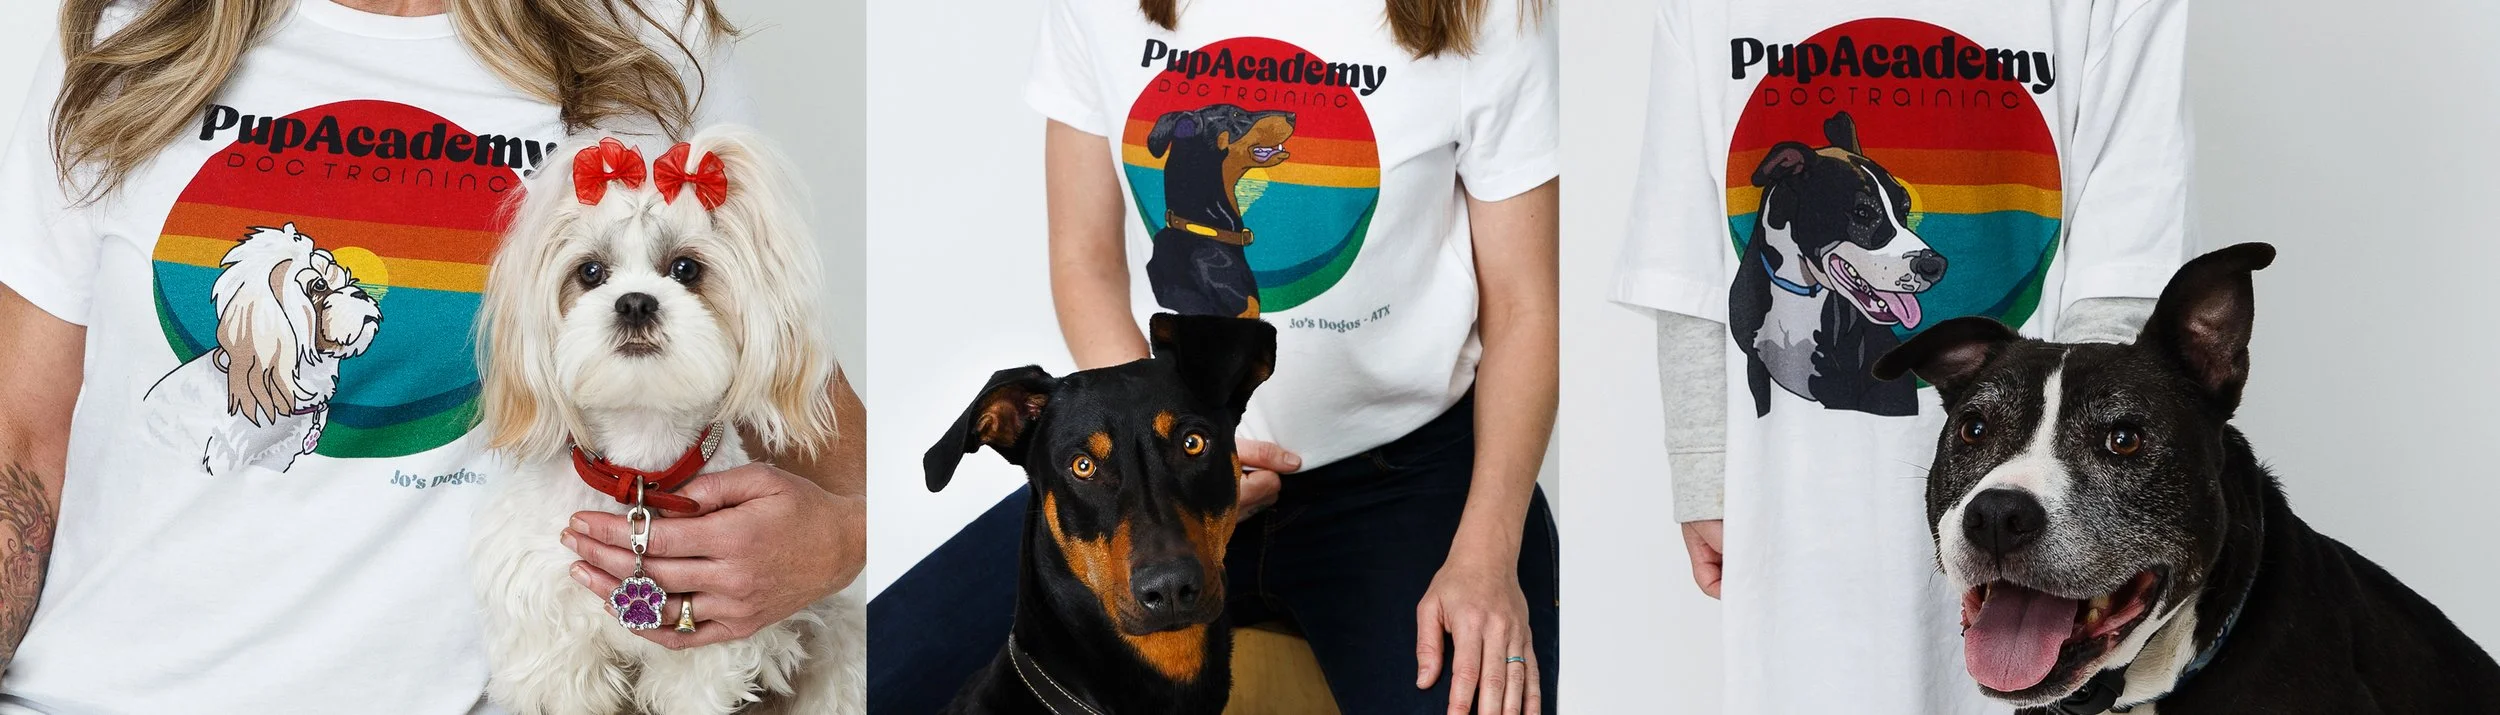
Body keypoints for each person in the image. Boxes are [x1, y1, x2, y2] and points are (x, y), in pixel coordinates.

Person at [0, 1, 864, 712]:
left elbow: (788, 378)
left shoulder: (647, 39)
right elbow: (21, 439)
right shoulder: (133, 34)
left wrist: (837, 542)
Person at [869, 0, 1561, 713]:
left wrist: (1488, 554)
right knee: (875, 681)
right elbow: (1085, 260)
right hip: (1166, 470)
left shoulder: (1485, 12)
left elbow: (1525, 310)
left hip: (1401, 482)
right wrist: (1155, 456)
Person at [1611, 0, 2191, 712]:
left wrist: (2073, 509)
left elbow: (2125, 270)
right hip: (1795, 510)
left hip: (2046, 516)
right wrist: (1703, 476)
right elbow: (1684, 269)